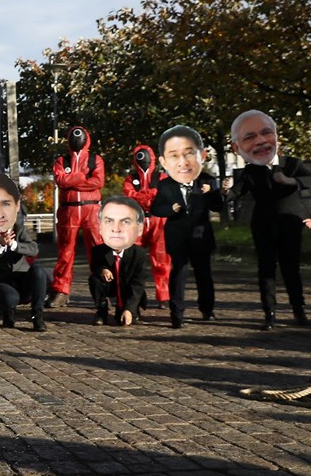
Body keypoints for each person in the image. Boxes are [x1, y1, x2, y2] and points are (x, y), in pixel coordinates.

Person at [223, 110, 311, 330]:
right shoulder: (249, 171)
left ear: (276, 137)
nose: (261, 141)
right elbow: (237, 192)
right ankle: (269, 314)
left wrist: (290, 181)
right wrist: (226, 191)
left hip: (291, 223)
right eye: (250, 137)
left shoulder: (293, 164)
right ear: (238, 147)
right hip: (263, 225)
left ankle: (299, 311)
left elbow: (309, 181)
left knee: (291, 268)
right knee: (266, 269)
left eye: (266, 133)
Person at [150, 125, 223, 329]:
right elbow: (156, 208)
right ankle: (177, 313)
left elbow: (218, 206)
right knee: (179, 271)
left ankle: (207, 309)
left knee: (203, 272)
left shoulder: (207, 180)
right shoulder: (166, 184)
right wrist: (170, 209)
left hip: (201, 233)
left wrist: (212, 193)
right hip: (177, 234)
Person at [0, 174, 47, 331]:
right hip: (1, 281)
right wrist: (0, 245)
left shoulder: (19, 231)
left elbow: (33, 249)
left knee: (39, 270)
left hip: (22, 279)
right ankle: (8, 312)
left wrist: (14, 245)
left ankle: (37, 314)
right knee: (10, 298)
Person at [48, 125, 105, 308]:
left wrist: (73, 180)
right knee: (65, 252)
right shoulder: (61, 160)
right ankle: (61, 291)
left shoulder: (95, 160)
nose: (76, 140)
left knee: (97, 251)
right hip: (68, 210)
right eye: (73, 136)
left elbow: (98, 181)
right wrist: (82, 176)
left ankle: (102, 292)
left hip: (91, 209)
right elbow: (61, 181)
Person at [121, 145, 171, 308]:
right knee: (134, 260)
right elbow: (130, 197)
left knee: (161, 260)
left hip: (159, 221)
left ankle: (163, 296)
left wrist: (143, 197)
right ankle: (137, 296)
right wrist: (151, 196)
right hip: (138, 222)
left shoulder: (161, 177)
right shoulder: (130, 178)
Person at [89, 196, 151, 326]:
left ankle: (131, 309)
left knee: (124, 320)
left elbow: (138, 284)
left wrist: (129, 309)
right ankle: (101, 309)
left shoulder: (139, 254)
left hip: (129, 289)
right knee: (94, 279)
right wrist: (102, 270)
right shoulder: (98, 250)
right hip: (110, 286)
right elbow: (95, 266)